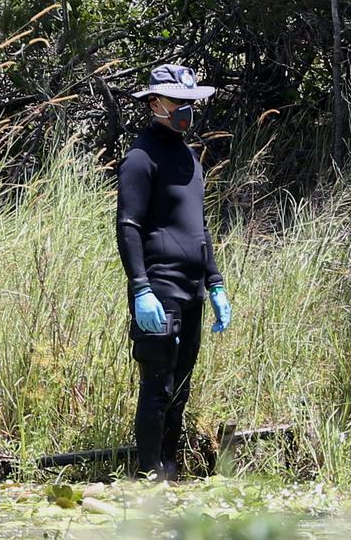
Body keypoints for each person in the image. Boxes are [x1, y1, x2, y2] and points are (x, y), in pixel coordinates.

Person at [116, 63, 232, 480]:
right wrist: (140, 288)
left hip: (193, 289)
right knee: (157, 389)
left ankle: (171, 469)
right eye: (177, 102)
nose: (185, 110)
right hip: (159, 290)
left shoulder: (189, 156)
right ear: (154, 103)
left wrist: (216, 283)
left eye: (190, 103)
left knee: (180, 390)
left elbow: (199, 225)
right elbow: (128, 225)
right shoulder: (140, 157)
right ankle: (149, 477)